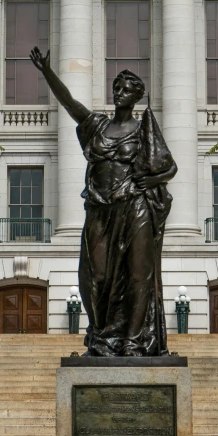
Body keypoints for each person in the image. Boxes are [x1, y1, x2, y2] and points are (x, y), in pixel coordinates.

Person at [28, 47, 176, 356]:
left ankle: (133, 340)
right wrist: (46, 72)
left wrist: (150, 181)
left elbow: (169, 167)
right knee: (94, 276)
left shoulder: (143, 129)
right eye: (117, 87)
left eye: (127, 89)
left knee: (138, 274)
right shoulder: (97, 125)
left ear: (137, 97)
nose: (120, 93)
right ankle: (102, 336)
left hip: (134, 206)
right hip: (99, 209)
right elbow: (70, 103)